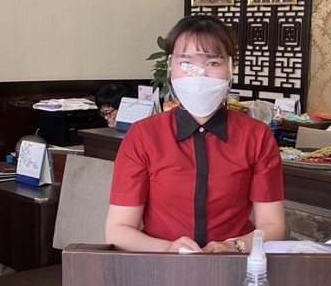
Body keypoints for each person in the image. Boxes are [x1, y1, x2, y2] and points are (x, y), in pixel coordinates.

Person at [105, 15, 285, 253]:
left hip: (233, 264)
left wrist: (233, 246)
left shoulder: (256, 136)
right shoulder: (143, 136)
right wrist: (169, 248)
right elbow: (118, 229)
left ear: (231, 68)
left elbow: (273, 226)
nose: (199, 74)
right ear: (171, 68)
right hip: (159, 266)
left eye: (213, 63)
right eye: (186, 63)